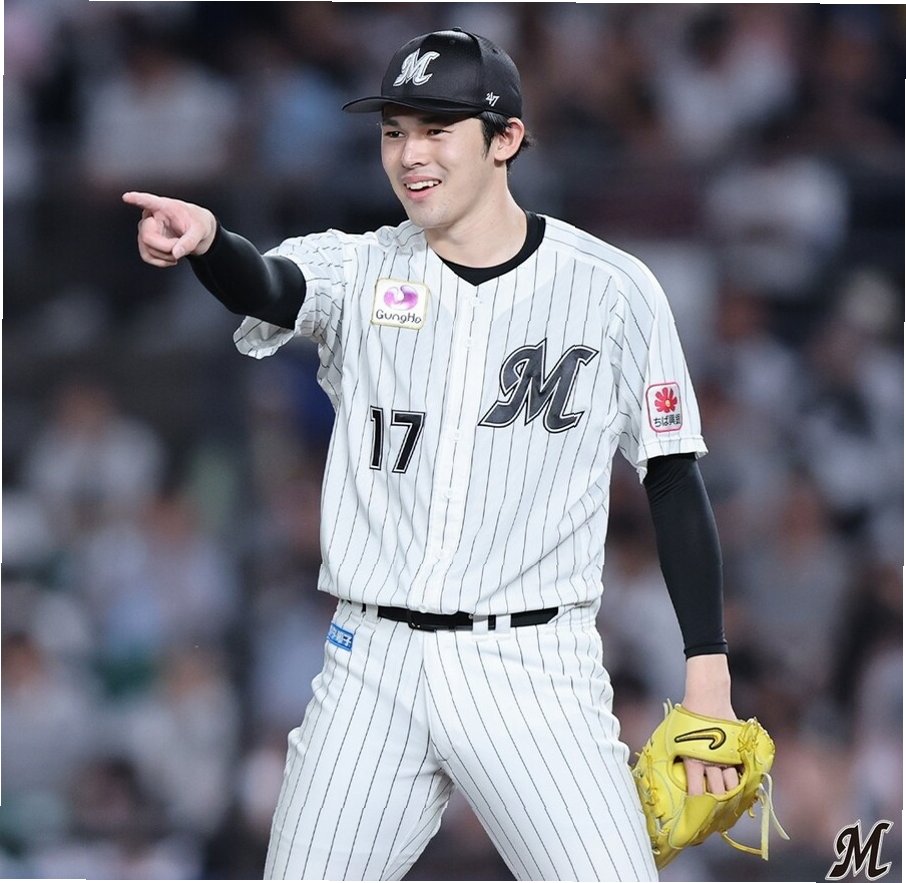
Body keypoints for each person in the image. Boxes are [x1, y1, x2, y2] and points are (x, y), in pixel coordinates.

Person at [124, 28, 738, 882]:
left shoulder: (611, 288)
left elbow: (672, 477)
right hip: (371, 665)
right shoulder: (361, 268)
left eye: (437, 129)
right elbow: (269, 283)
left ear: (506, 138)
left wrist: (708, 675)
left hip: (532, 668)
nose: (410, 154)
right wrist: (208, 243)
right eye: (394, 131)